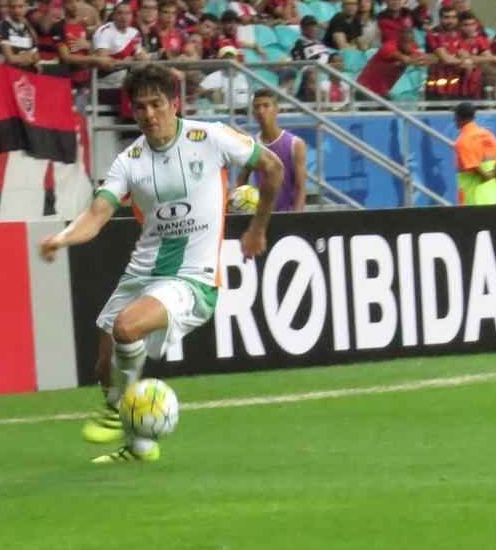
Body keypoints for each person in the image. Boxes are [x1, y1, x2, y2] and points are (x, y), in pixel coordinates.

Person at [38, 64, 283, 463]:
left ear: (175, 104)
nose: (149, 115)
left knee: (126, 328)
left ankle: (119, 414)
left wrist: (258, 228)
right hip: (143, 272)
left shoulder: (211, 137)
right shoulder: (129, 160)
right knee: (104, 364)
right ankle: (140, 447)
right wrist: (63, 237)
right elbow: (98, 213)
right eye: (140, 108)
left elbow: (273, 167)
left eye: (157, 105)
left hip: (193, 278)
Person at [237, 89, 306, 212]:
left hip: (287, 214)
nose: (261, 111)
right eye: (257, 107)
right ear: (253, 113)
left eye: (266, 106)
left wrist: (296, 218)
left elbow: (300, 187)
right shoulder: (252, 144)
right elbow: (242, 179)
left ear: (276, 109)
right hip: (261, 216)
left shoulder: (295, 144)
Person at [453, 103, 496, 206]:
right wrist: (493, 175)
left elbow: (482, 175)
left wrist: (489, 176)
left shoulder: (462, 141)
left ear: (457, 117)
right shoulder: (488, 135)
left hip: (473, 201)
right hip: (494, 198)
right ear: (473, 117)